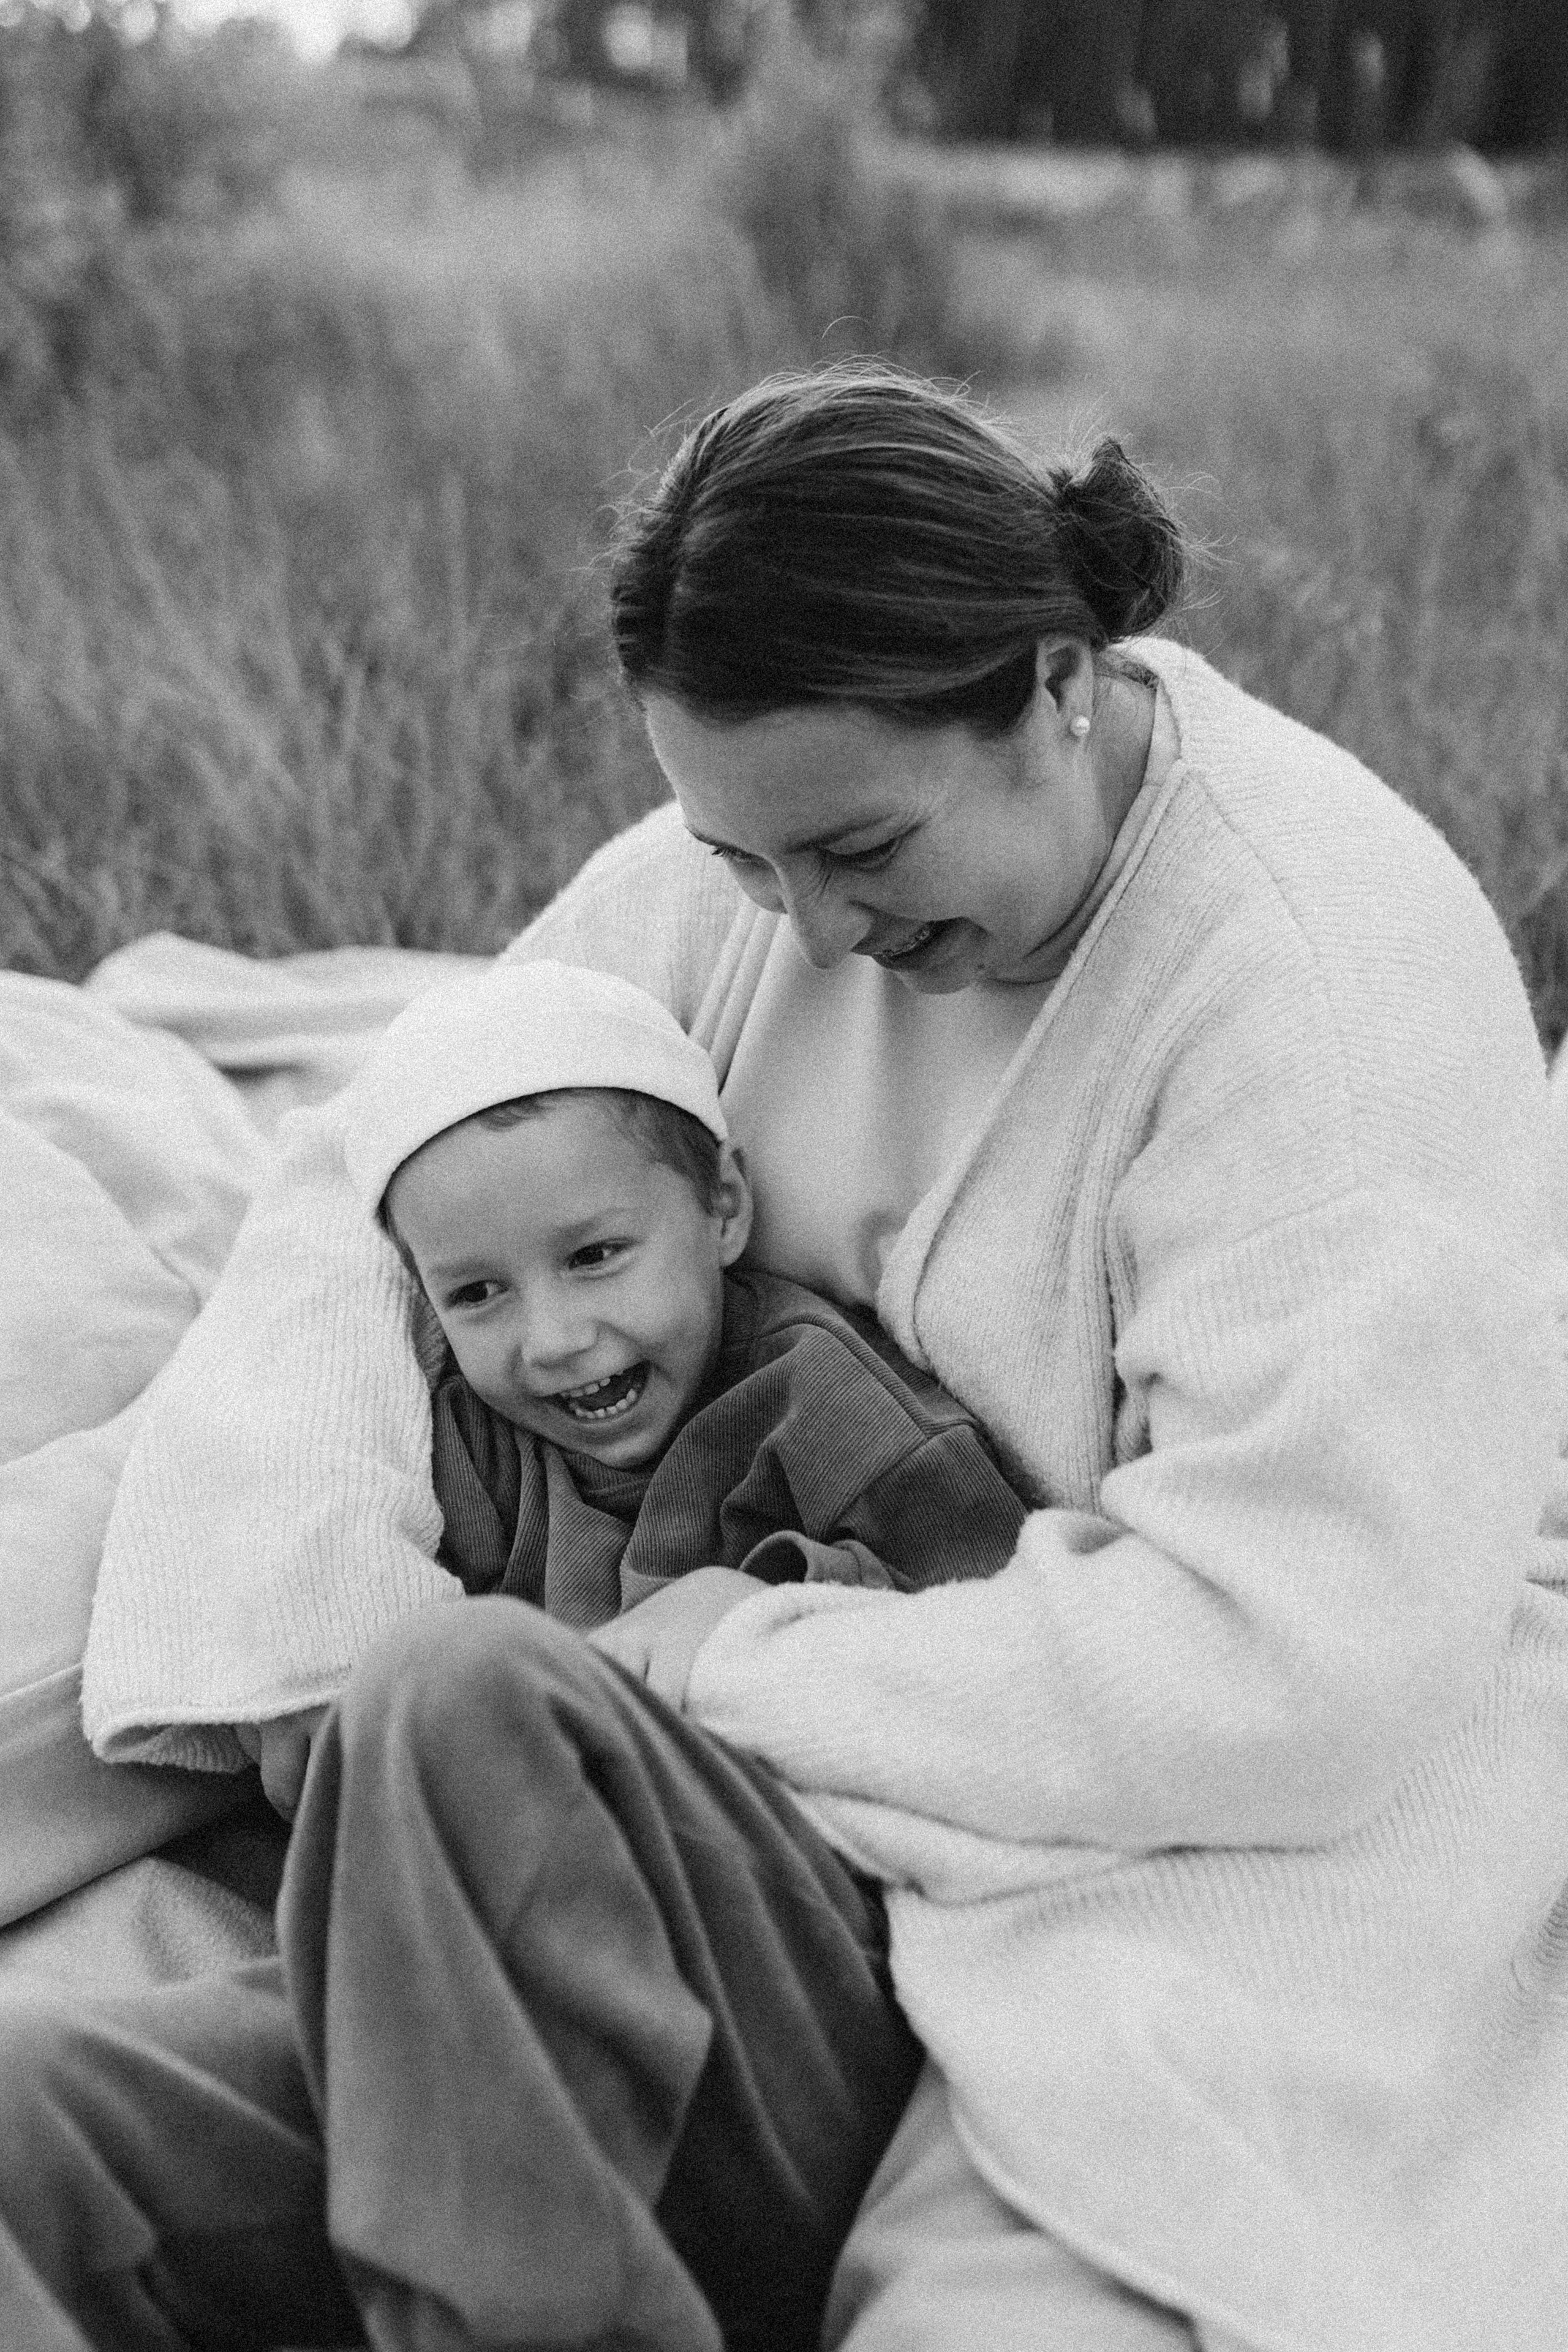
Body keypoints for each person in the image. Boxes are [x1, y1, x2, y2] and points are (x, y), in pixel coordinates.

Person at [7, 360, 1568, 2351]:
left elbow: (1295, 1657)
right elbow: (381, 1153)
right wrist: (322, 1632)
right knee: (42, 2127)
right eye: (745, 866)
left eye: (857, 854)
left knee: (477, 1710)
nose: (806, 937)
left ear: (1057, 682)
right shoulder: (744, 871)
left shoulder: (1320, 989)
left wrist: (712, 1668)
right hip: (679, 1865)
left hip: (1119, 1875)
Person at [234, 954, 1027, 1817]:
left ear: (723, 1205)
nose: (553, 1341)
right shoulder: (465, 1436)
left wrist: (752, 1610)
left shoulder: (824, 1401)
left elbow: (1001, 1636)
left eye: (595, 1257)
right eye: (477, 1293)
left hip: (790, 1835)